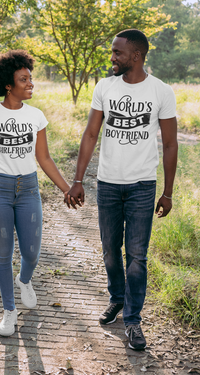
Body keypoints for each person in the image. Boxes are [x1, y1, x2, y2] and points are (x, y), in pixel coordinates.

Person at [65, 29, 178, 350]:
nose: (112, 57)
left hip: (143, 186)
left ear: (137, 56)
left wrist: (167, 192)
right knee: (110, 250)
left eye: (117, 53)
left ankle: (133, 320)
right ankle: (117, 299)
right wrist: (77, 179)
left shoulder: (161, 92)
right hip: (109, 183)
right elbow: (90, 134)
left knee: (137, 257)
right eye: (112, 52)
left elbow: (170, 144)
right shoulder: (105, 86)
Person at [0, 50, 70, 337]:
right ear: (7, 84)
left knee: (31, 251)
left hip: (28, 188)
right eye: (23, 79)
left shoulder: (36, 116)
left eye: (31, 78)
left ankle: (24, 280)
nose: (31, 83)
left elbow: (44, 158)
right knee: (4, 253)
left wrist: (66, 188)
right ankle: (9, 312)